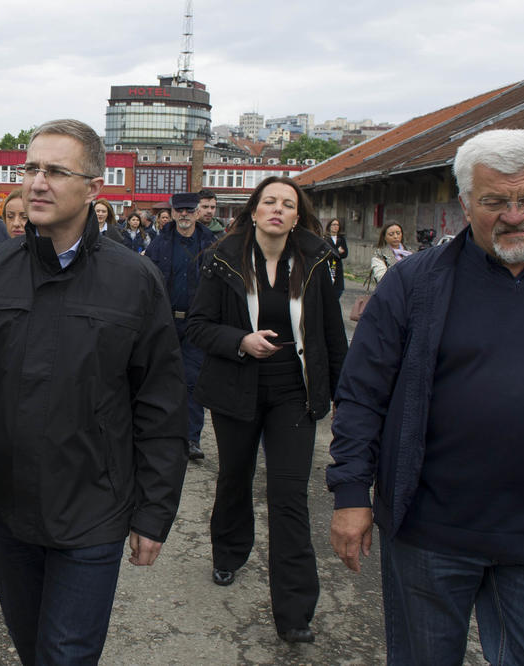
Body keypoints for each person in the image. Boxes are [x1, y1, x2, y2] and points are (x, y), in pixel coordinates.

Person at [0, 119, 188, 665]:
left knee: (66, 655)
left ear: (95, 187)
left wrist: (153, 511)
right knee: (32, 647)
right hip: (9, 505)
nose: (37, 183)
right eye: (31, 169)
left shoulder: (134, 281)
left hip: (94, 507)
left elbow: (159, 405)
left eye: (56, 171)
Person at [328, 129, 524, 665]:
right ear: (465, 203)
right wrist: (350, 494)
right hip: (429, 532)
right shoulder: (413, 285)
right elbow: (362, 395)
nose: (514, 215)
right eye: (493, 201)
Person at [187, 176, 346, 643]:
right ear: (254, 211)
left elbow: (331, 336)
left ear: (298, 216)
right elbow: (198, 327)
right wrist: (240, 340)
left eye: (288, 204)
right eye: (269, 201)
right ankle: (229, 553)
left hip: (293, 394)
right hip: (237, 388)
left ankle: (295, 613)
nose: (277, 209)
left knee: (290, 498)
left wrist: (343, 397)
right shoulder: (224, 261)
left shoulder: (317, 261)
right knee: (234, 478)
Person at [145, 191, 217, 460]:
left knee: (193, 381)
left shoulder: (211, 244)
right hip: (165, 320)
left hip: (197, 324)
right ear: (173, 212)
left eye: (189, 210)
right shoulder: (159, 244)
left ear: (197, 212)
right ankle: (161, 434)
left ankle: (191, 438)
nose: (184, 215)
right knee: (161, 378)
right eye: (179, 211)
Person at [326, 219, 348, 297]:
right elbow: (326, 253)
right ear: (329, 226)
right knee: (328, 287)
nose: (336, 227)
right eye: (334, 225)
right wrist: (337, 251)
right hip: (328, 265)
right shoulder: (325, 239)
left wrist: (334, 252)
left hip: (337, 265)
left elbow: (345, 254)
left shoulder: (341, 239)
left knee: (339, 289)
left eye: (337, 225)